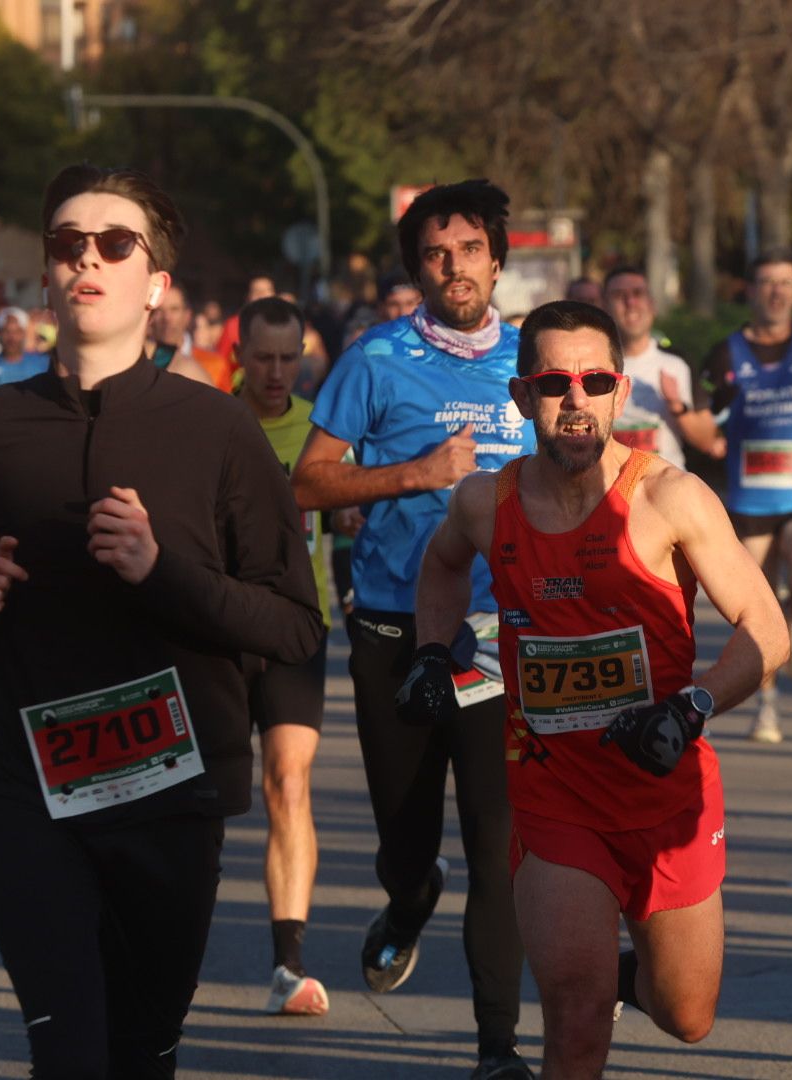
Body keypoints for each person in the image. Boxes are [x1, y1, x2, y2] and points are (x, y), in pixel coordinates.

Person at [0, 164, 323, 1076]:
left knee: (141, 1054)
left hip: (170, 791)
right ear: (47, 276)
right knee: (69, 1052)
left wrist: (160, 571)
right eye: (68, 245)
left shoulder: (218, 429)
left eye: (113, 244)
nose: (87, 260)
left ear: (156, 285)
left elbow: (295, 625)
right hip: (21, 784)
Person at [407, 300, 788, 1077]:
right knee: (576, 1023)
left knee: (688, 1015)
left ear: (621, 393)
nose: (576, 399)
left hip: (666, 796)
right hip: (555, 797)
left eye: (596, 382)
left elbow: (767, 629)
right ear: (522, 397)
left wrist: (693, 705)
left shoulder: (670, 498)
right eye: (554, 383)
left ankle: (622, 975)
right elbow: (442, 565)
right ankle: (585, 981)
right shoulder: (485, 503)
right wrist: (430, 653)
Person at [293, 179, 535, 1080]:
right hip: (395, 626)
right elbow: (308, 482)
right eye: (436, 254)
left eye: (470, 250)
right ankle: (407, 898)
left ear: (496, 262)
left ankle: (497, 1048)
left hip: (499, 631)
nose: (454, 266)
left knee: (497, 844)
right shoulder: (375, 359)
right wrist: (413, 475)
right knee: (406, 837)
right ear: (417, 271)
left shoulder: (534, 361)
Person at [234, 295, 334, 1016]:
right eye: (263, 358)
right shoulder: (209, 424)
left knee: (288, 783)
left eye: (288, 359)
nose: (276, 373)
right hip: (217, 628)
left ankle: (288, 965)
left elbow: (352, 511)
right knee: (204, 795)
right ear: (239, 355)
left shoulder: (322, 433)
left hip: (299, 626)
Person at [701, 247, 792, 741]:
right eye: (767, 282)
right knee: (752, 615)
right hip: (747, 504)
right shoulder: (725, 353)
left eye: (786, 282)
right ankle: (767, 708)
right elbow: (706, 418)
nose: (777, 292)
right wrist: (708, 438)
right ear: (750, 290)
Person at [601, 266, 720, 469]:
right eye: (619, 295)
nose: (630, 303)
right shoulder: (594, 366)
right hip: (611, 486)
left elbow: (708, 440)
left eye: (638, 293)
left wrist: (677, 407)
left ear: (652, 304)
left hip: (667, 485)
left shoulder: (677, 363)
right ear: (604, 307)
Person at [147, 281, 229, 388]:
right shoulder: (137, 363)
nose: (167, 318)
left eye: (174, 309)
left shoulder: (215, 365)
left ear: (187, 315)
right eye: (159, 310)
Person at [0, 307, 49, 392]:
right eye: (6, 331)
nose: (12, 338)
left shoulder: (44, 364)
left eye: (17, 332)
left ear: (24, 334)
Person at [215, 274, 276, 363]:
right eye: (256, 291)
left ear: (274, 295)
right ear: (248, 296)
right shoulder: (233, 325)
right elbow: (220, 362)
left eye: (266, 291)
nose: (261, 295)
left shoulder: (284, 325)